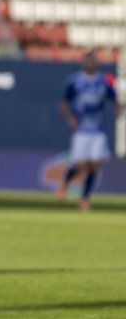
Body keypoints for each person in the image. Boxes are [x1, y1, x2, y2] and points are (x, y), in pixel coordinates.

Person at [55, 49, 118, 211]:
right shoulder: (74, 81)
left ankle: (84, 199)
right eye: (87, 60)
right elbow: (63, 103)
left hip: (98, 130)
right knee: (81, 165)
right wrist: (69, 119)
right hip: (81, 130)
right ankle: (65, 182)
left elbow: (114, 98)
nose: (90, 63)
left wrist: (117, 109)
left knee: (95, 165)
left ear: (96, 63)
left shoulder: (104, 81)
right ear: (83, 62)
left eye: (92, 60)